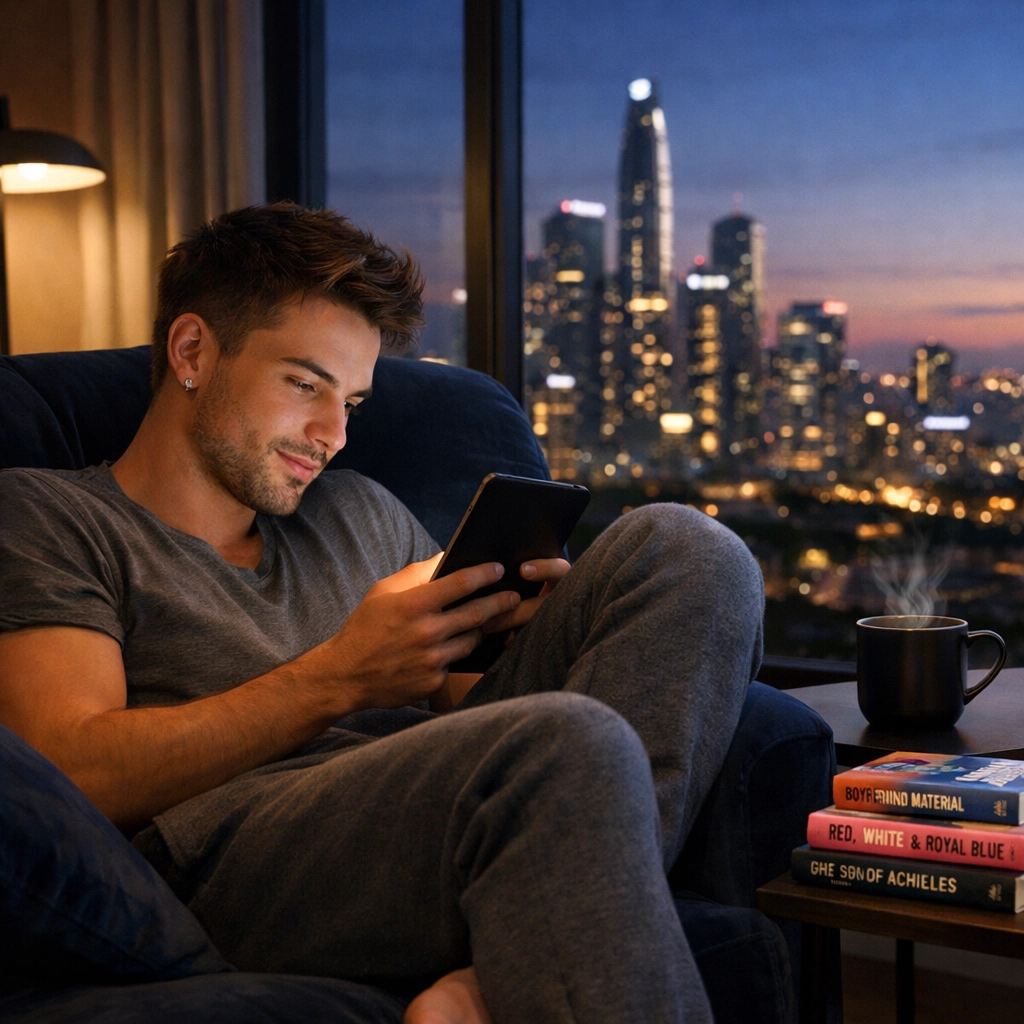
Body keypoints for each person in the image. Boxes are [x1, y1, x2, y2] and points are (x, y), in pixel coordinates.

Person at [0, 203, 765, 1024]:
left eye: (353, 405)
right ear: (192, 351)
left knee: (688, 549)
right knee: (567, 739)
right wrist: (341, 677)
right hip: (234, 852)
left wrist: (526, 624)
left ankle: (498, 963)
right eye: (305, 384)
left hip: (430, 806)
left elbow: (467, 708)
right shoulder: (48, 516)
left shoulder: (358, 508)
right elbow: (71, 769)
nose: (331, 435)